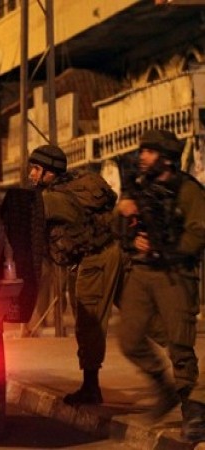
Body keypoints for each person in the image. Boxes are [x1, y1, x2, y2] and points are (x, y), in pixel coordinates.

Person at [116, 129, 205, 442]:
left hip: (175, 274)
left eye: (150, 152)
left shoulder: (188, 190)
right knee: (129, 339)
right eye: (142, 151)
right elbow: (121, 230)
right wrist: (130, 226)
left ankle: (193, 410)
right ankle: (162, 388)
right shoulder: (140, 188)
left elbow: (198, 231)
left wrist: (167, 248)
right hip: (142, 272)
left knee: (180, 345)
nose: (143, 157)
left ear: (166, 158)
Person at [28, 144, 122, 405]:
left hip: (95, 259)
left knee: (88, 321)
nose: (31, 174)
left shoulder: (54, 199)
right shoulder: (68, 188)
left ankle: (91, 388)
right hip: (100, 254)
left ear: (49, 173)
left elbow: (33, 218)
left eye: (36, 169)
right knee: (140, 317)